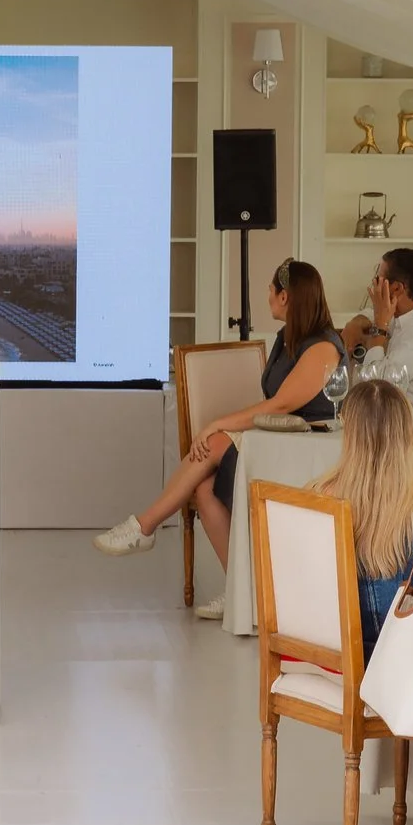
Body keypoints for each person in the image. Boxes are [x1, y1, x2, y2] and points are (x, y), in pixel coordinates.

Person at [95, 260, 347, 614]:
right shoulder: (286, 337)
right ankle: (243, 593)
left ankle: (144, 526)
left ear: (286, 297)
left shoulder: (323, 346)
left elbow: (281, 404)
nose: (267, 295)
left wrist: (216, 424)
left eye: (271, 290)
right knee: (203, 488)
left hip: (308, 446)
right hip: (279, 436)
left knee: (215, 441)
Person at [310, 377, 413, 655]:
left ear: (348, 432)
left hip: (337, 654)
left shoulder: (317, 495)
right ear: (408, 433)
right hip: (411, 659)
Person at [340, 247, 413, 374]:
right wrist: (355, 324)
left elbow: (374, 381)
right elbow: (370, 314)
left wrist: (380, 328)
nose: (375, 287)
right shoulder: (408, 315)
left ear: (397, 288)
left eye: (378, 281)